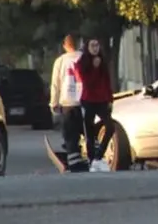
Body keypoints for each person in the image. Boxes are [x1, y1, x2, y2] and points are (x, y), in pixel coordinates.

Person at [74, 38, 115, 172]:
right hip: (88, 100)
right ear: (87, 47)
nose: (95, 48)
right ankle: (92, 161)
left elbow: (107, 81)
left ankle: (98, 156)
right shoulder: (82, 63)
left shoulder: (102, 61)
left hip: (102, 100)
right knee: (89, 132)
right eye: (92, 45)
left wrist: (110, 99)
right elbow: (87, 83)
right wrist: (94, 68)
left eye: (97, 45)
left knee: (110, 127)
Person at [49, 35, 85, 172]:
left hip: (68, 103)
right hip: (84, 102)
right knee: (86, 132)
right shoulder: (84, 58)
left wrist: (53, 103)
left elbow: (55, 84)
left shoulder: (60, 61)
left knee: (70, 134)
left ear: (65, 45)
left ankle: (74, 163)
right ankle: (89, 158)